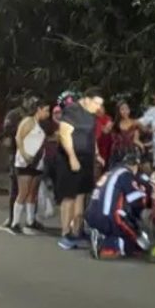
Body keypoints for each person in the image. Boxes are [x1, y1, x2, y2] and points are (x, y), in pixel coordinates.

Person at [56, 88, 104, 250]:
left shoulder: (90, 114)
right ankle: (65, 233)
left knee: (81, 196)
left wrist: (97, 154)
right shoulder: (72, 110)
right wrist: (72, 157)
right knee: (69, 195)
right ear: (87, 99)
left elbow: (91, 136)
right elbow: (64, 134)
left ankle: (78, 230)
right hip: (70, 159)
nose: (98, 107)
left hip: (86, 158)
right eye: (96, 103)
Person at [85, 152, 150, 260]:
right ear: (135, 166)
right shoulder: (126, 174)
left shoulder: (109, 173)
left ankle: (101, 236)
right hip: (106, 218)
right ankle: (108, 246)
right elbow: (136, 200)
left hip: (90, 215)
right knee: (133, 244)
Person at [10, 99, 51, 235]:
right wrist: (24, 154)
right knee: (24, 191)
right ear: (38, 109)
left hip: (37, 161)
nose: (48, 113)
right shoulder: (28, 121)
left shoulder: (42, 125)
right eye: (46, 110)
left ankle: (30, 220)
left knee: (33, 193)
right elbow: (19, 138)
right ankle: (15, 222)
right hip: (25, 161)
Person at [1, 96, 31, 228]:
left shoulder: (35, 115)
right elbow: (7, 132)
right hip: (16, 153)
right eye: (30, 100)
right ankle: (12, 218)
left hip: (34, 154)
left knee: (33, 189)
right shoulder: (14, 115)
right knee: (15, 187)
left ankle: (31, 219)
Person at [108, 101, 143, 168]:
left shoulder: (135, 123)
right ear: (118, 111)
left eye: (127, 109)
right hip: (117, 154)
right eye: (122, 109)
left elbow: (136, 139)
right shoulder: (113, 125)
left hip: (131, 153)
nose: (125, 111)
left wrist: (141, 145)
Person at [94, 105, 113, 174]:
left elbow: (106, 130)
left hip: (108, 147)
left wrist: (100, 127)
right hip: (97, 148)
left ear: (104, 109)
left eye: (101, 108)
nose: (99, 110)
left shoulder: (108, 118)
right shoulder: (93, 120)